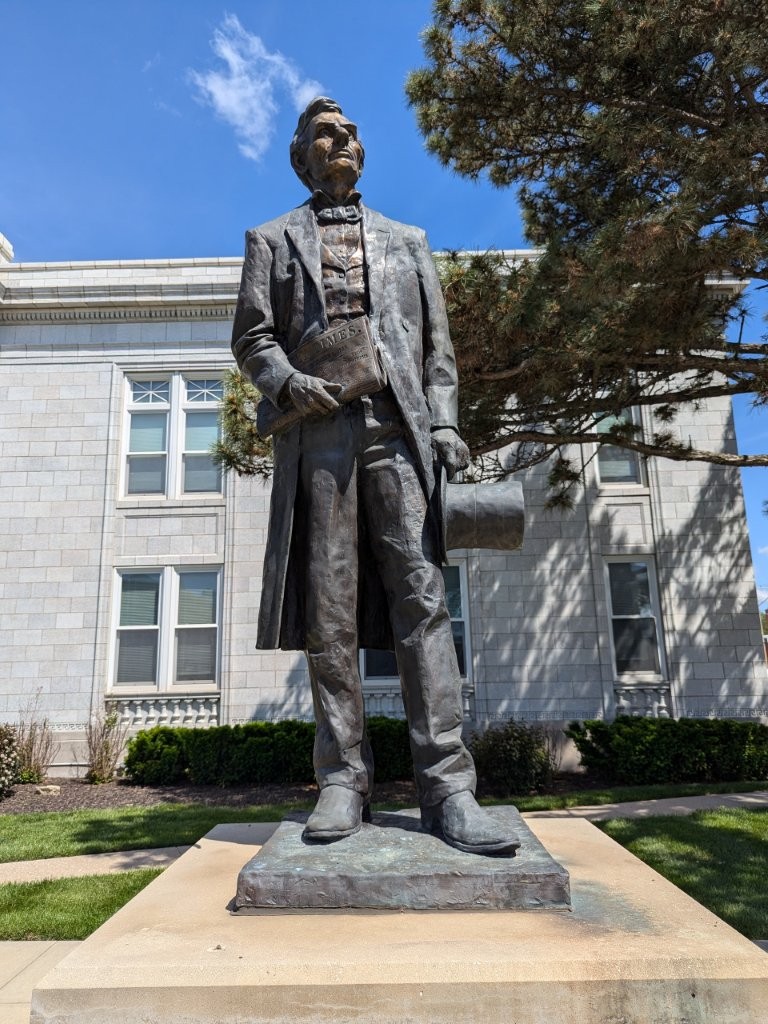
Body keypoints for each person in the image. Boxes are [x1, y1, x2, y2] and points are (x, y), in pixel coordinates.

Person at [232, 97, 518, 855]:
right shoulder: (270, 240)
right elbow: (254, 338)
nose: (343, 142)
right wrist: (288, 382)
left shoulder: (407, 241)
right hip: (319, 437)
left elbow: (437, 350)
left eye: (352, 133)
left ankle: (449, 787)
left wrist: (449, 423)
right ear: (303, 156)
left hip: (399, 434)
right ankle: (342, 781)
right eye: (327, 135)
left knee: (422, 602)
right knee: (330, 611)